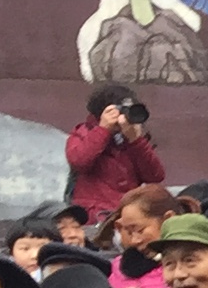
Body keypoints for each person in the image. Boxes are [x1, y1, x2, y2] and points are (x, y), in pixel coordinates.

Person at [65, 84, 164, 221]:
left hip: (127, 215)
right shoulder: (83, 133)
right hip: (94, 216)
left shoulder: (132, 139)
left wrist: (136, 141)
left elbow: (155, 176)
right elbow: (79, 161)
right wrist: (103, 129)